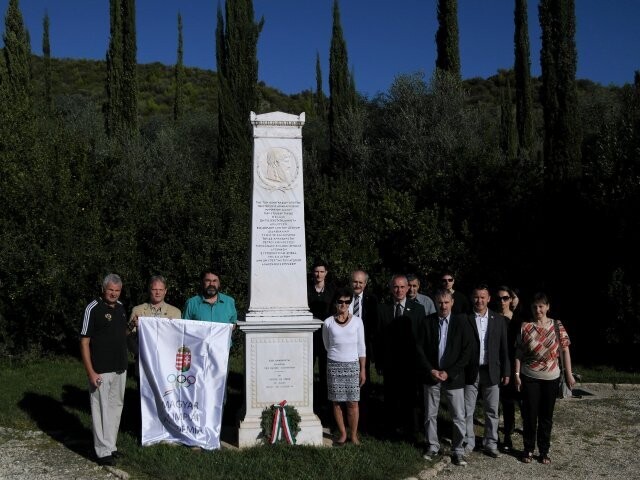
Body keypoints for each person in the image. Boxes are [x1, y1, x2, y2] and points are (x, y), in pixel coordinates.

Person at [514, 292, 576, 465]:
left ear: (547, 307)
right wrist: (517, 375)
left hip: (552, 377)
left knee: (546, 416)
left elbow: (565, 350)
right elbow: (518, 352)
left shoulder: (557, 325)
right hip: (530, 376)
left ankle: (544, 451)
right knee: (530, 415)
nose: (538, 310)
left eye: (541, 306)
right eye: (534, 307)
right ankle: (528, 449)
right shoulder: (525, 327)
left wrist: (569, 374)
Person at [416, 289, 471, 466]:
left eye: (446, 302)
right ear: (435, 302)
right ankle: (432, 446)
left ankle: (458, 450)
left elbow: (466, 351)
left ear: (452, 302)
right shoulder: (427, 322)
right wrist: (431, 370)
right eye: (440, 302)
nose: (443, 306)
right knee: (430, 414)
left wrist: (450, 372)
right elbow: (420, 349)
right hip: (432, 376)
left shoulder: (461, 323)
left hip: (453, 378)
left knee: (458, 416)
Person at [79, 273, 129, 467]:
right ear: (103, 289)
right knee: (100, 409)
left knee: (116, 407)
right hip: (100, 369)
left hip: (120, 367)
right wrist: (90, 371)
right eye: (110, 290)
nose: (114, 294)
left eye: (117, 291)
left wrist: (132, 326)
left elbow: (120, 333)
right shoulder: (93, 308)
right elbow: (84, 342)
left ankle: (111, 445)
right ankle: (101, 451)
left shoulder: (122, 308)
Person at [375, 274, 426, 441]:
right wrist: (379, 361)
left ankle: (412, 431)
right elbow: (378, 337)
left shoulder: (418, 309)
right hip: (390, 362)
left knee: (410, 398)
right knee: (390, 397)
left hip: (411, 363)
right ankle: (390, 431)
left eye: (402, 287)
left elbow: (421, 337)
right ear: (391, 288)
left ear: (408, 288)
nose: (399, 290)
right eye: (396, 287)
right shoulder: (383, 308)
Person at [463, 284, 510, 458]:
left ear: (489, 299)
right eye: (476, 296)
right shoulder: (464, 319)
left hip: (492, 371)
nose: (479, 300)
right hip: (471, 371)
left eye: (483, 297)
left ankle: (491, 443)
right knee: (467, 409)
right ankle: (469, 441)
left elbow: (504, 349)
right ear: (471, 298)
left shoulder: (498, 320)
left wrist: (506, 371)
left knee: (492, 410)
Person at [322, 287, 366, 445]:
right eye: (340, 301)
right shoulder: (327, 323)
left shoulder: (357, 322)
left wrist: (363, 369)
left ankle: (353, 435)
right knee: (336, 402)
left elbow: (362, 347)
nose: (344, 304)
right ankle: (342, 433)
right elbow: (327, 345)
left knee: (353, 403)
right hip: (334, 365)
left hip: (352, 365)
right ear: (335, 303)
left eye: (347, 301)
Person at [128, 275, 182, 377]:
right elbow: (129, 336)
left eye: (161, 290)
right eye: (154, 289)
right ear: (149, 290)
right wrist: (138, 353)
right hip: (144, 363)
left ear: (165, 291)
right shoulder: (138, 310)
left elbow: (178, 338)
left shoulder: (175, 313)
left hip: (167, 365)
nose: (157, 293)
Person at [349, 269, 378, 430]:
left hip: (363, 348)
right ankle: (348, 419)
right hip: (346, 348)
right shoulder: (344, 299)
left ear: (365, 284)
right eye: (355, 281)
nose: (357, 285)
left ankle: (363, 421)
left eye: (360, 282)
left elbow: (374, 325)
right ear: (350, 282)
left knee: (363, 383)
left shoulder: (372, 300)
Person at [494, 285, 522, 452]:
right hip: (495, 364)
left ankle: (508, 435)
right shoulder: (491, 317)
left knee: (509, 402)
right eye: (499, 298)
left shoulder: (517, 319)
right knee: (494, 403)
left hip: (511, 364)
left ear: (511, 300)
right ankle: (494, 434)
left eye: (505, 298)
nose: (502, 301)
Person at [307, 259, 335, 414]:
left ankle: (325, 404)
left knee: (325, 371)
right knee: (307, 369)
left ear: (326, 273)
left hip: (326, 335)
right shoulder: (306, 289)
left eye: (322, 271)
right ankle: (308, 401)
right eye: (316, 271)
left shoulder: (332, 290)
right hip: (309, 335)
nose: (319, 274)